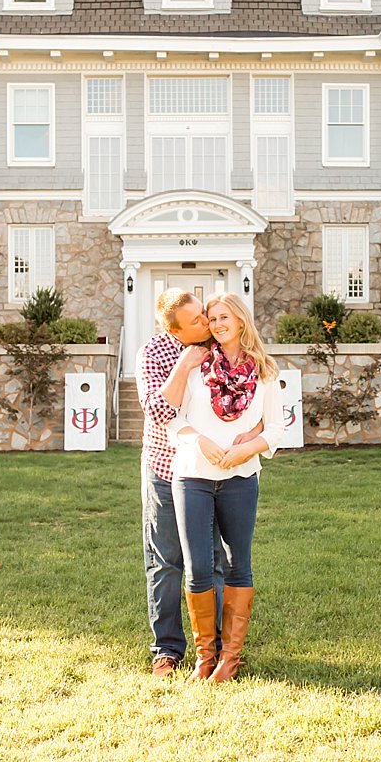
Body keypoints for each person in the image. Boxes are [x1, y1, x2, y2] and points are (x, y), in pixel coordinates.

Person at [162, 292, 283, 683]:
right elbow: (171, 418)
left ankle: (230, 660)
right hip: (193, 475)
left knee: (237, 565)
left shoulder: (264, 372)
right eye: (211, 318)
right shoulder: (197, 366)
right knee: (197, 568)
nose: (217, 324)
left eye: (224, 316)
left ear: (242, 320)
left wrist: (243, 450)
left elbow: (278, 430)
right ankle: (204, 658)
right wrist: (202, 441)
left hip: (240, 478)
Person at [136, 289, 254, 677]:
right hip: (167, 469)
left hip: (212, 473)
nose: (206, 324)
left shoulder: (216, 347)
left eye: (205, 316)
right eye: (197, 322)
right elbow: (157, 412)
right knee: (167, 560)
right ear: (175, 330)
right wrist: (183, 367)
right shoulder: (154, 353)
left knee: (213, 560)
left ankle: (219, 648)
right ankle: (167, 650)